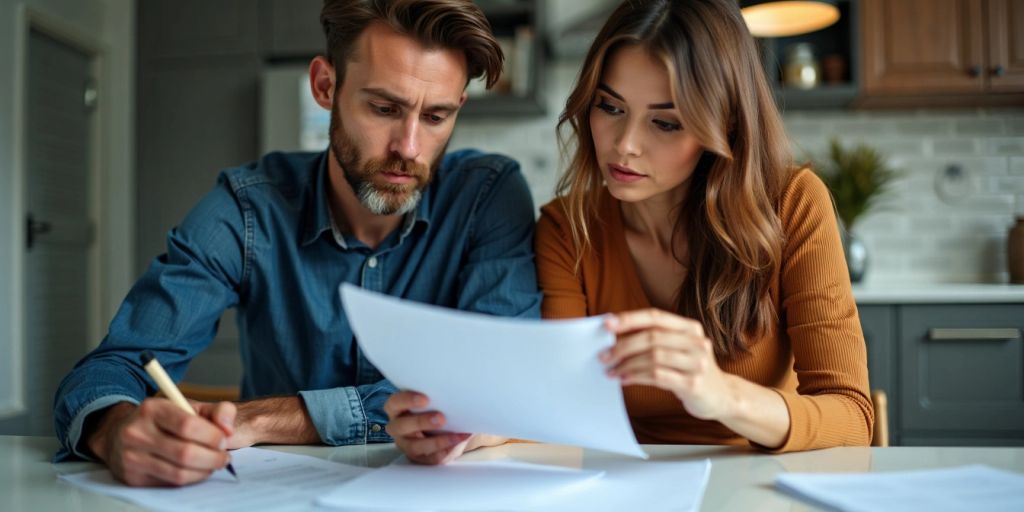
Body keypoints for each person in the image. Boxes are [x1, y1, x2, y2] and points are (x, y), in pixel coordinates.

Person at [53, 0, 540, 486]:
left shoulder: (488, 197)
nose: (408, 148)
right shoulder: (246, 210)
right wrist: (114, 429)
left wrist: (265, 419)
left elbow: (502, 379)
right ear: (325, 86)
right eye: (384, 108)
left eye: (435, 117)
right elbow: (113, 366)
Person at [534, 0, 873, 451]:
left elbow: (852, 418)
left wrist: (721, 394)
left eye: (666, 122)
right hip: (623, 480)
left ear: (726, 124)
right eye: (610, 107)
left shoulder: (792, 204)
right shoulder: (567, 227)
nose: (625, 145)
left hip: (764, 480)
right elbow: (558, 406)